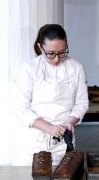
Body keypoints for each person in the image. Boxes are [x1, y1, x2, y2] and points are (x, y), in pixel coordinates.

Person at [12, 24, 89, 165]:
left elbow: (82, 102)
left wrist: (70, 121)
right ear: (40, 48)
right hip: (33, 143)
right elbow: (21, 108)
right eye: (51, 54)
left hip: (63, 141)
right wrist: (49, 128)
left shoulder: (75, 67)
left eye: (62, 52)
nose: (57, 59)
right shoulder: (30, 69)